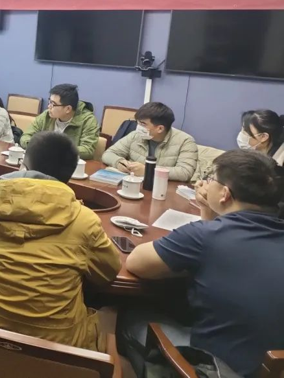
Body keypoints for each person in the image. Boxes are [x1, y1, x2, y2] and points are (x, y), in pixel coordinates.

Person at [121, 150, 284, 378]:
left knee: (130, 315)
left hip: (218, 370)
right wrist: (208, 212)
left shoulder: (205, 236)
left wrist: (207, 221)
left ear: (225, 194)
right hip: (269, 368)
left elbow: (136, 263)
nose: (205, 183)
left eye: (211, 178)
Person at [0, 131, 120, 350]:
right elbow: (107, 272)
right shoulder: (85, 220)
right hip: (56, 352)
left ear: (24, 165)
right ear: (69, 176)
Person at [102, 101, 197, 182]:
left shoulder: (185, 141)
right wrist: (119, 162)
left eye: (143, 124)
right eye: (138, 122)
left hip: (163, 189)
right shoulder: (135, 135)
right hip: (134, 184)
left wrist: (148, 170)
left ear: (160, 128)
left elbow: (185, 172)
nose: (138, 127)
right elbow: (108, 153)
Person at [20, 83, 99, 159]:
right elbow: (25, 137)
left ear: (68, 109)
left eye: (53, 104)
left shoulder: (88, 120)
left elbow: (88, 150)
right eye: (49, 102)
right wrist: (39, 147)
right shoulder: (46, 116)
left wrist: (58, 150)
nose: (49, 106)